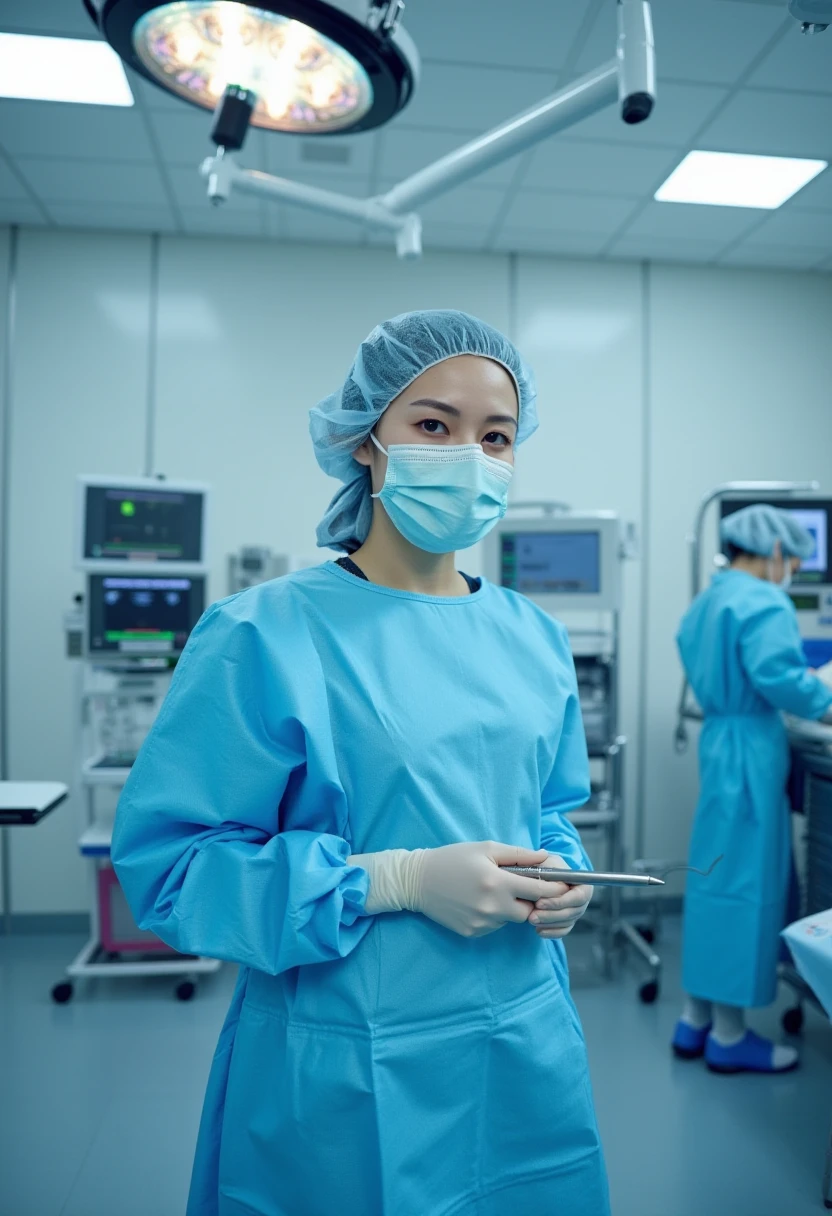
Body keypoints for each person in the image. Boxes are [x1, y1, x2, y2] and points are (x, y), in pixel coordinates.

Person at [111, 310, 610, 1216]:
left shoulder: (532, 637)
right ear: (367, 444)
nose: (470, 454)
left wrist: (566, 870)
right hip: (343, 1058)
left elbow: (547, 809)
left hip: (519, 1045)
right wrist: (394, 881)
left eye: (495, 435)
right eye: (433, 425)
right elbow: (174, 871)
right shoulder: (264, 633)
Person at [672, 503, 832, 1074]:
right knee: (747, 884)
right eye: (792, 558)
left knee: (716, 878)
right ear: (776, 553)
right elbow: (781, 679)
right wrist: (824, 697)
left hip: (721, 742)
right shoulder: (762, 599)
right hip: (749, 749)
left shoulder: (710, 600)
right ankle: (731, 1037)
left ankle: (694, 1021)